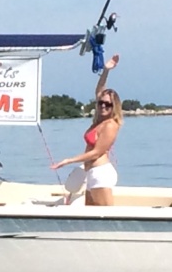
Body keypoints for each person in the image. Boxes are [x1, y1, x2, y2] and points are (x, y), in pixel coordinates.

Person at [51, 54, 122, 205]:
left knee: (106, 217)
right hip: (91, 173)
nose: (103, 106)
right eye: (101, 103)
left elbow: (96, 152)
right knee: (91, 216)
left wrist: (68, 160)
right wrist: (106, 70)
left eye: (108, 105)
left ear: (113, 107)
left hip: (100, 173)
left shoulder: (110, 125)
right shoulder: (98, 121)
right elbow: (99, 91)